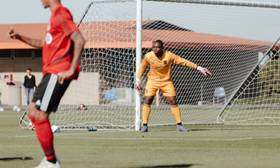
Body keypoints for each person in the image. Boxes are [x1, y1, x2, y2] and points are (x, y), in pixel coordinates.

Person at [8, 0, 85, 167]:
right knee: (33, 112)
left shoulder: (61, 13)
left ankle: (51, 162)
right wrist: (20, 37)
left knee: (40, 113)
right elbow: (42, 44)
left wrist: (71, 69)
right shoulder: (53, 17)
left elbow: (79, 39)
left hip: (58, 72)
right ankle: (50, 158)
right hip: (49, 73)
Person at [135, 40, 212, 132]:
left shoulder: (169, 55)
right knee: (148, 100)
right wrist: (138, 80)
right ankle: (145, 126)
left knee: (173, 101)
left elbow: (183, 61)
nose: (155, 49)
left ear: (162, 48)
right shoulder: (148, 56)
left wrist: (199, 68)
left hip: (166, 81)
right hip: (152, 81)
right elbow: (142, 67)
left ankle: (179, 126)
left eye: (157, 47)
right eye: (153, 47)